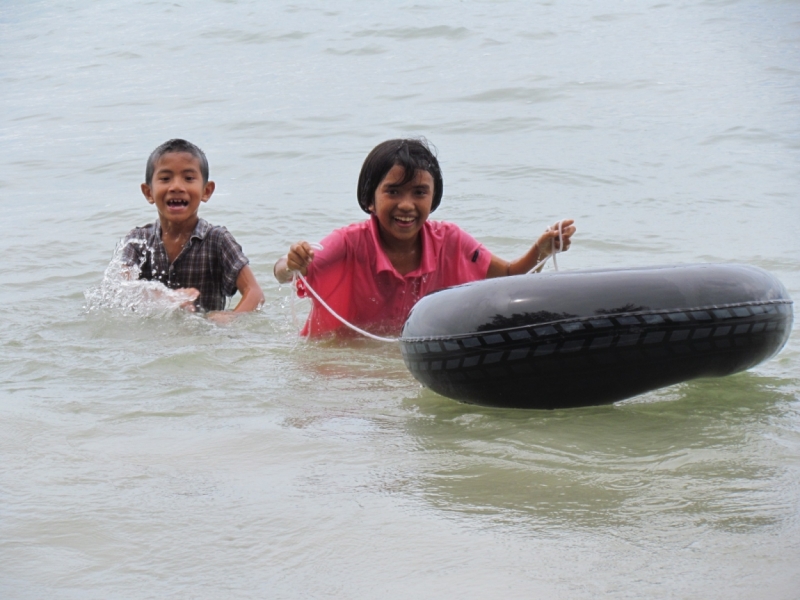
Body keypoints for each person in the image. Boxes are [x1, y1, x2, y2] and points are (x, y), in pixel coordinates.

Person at [273, 138, 575, 337]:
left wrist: (541, 250)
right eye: (393, 192)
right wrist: (292, 261)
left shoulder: (451, 241)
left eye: (419, 193)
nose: (406, 205)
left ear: (433, 198)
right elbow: (283, 273)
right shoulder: (349, 242)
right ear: (370, 200)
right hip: (349, 355)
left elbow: (509, 276)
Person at [120, 138, 263, 317]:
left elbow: (255, 294)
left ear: (206, 191)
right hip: (154, 341)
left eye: (188, 178)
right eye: (165, 178)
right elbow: (121, 288)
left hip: (205, 338)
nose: (177, 187)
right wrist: (165, 297)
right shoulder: (138, 240)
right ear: (149, 192)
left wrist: (231, 317)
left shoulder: (217, 240)